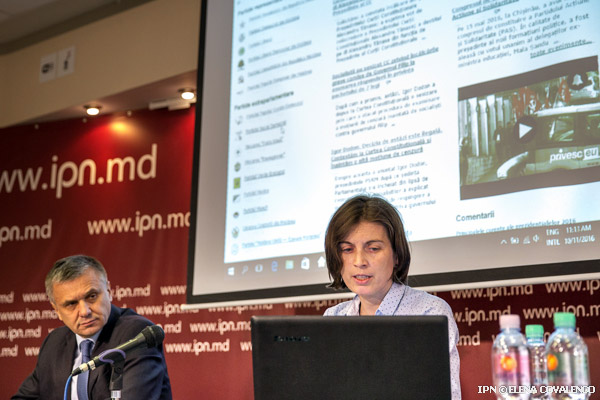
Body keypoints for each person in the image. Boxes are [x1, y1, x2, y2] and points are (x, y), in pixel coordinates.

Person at [323, 194, 461, 400]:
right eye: (347, 249)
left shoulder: (429, 313)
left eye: (373, 248)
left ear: (397, 255)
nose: (359, 261)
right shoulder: (333, 318)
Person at [12, 255, 172, 400]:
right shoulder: (54, 342)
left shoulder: (136, 334)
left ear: (108, 291)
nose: (85, 311)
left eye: (92, 296)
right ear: (57, 310)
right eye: (71, 304)